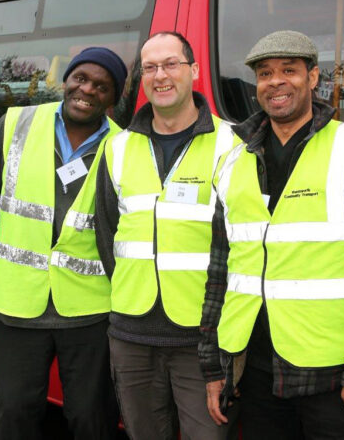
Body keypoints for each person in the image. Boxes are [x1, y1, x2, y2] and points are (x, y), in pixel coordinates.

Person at [0, 47, 128, 440]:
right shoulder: (15, 124)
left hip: (90, 311)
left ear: (113, 98)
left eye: (102, 86)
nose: (87, 90)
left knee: (93, 420)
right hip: (19, 308)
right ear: (66, 80)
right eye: (81, 78)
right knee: (14, 413)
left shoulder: (125, 146)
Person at [199, 30, 344, 439]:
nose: (276, 82)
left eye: (289, 70)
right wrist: (213, 367)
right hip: (254, 370)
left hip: (332, 374)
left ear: (313, 77)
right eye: (265, 74)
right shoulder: (234, 158)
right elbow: (220, 270)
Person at [95, 31, 237, 440]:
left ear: (193, 70)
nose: (161, 75)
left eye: (171, 64)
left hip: (202, 338)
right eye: (151, 67)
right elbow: (108, 233)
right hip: (131, 332)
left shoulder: (231, 144)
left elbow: (241, 241)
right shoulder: (117, 147)